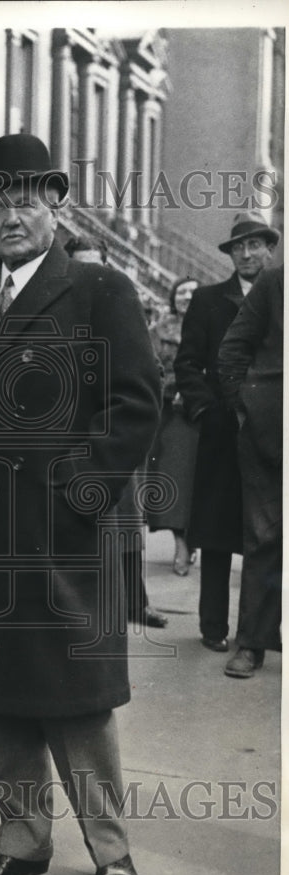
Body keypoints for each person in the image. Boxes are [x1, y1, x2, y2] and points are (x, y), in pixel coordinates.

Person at [0, 134, 161, 875]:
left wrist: (79, 493)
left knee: (79, 700)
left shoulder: (101, 293)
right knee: (0, 696)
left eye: (27, 200)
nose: (11, 216)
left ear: (56, 206)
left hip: (65, 538)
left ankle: (112, 853)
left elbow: (135, 407)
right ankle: (21, 842)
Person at [174, 212, 278, 653]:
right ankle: (213, 625)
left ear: (269, 249)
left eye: (255, 245)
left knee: (265, 534)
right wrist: (207, 411)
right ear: (231, 254)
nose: (247, 253)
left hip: (269, 428)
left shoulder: (279, 295)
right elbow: (187, 363)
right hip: (224, 429)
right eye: (239, 247)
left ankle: (261, 631)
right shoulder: (208, 299)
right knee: (217, 533)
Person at [64, 235, 168, 629]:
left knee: (127, 520)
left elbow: (150, 369)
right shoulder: (61, 305)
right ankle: (97, 604)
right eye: (82, 264)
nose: (92, 273)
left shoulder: (122, 305)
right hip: (75, 433)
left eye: (98, 264)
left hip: (116, 428)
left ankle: (136, 600)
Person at [218, 264, 283, 678]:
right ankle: (251, 645)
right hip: (270, 429)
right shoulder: (277, 281)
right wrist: (246, 409)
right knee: (264, 537)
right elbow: (232, 349)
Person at [147, 276, 200, 575]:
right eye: (181, 292)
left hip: (201, 413)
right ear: (173, 297)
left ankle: (191, 540)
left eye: (193, 292)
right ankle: (181, 542)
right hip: (171, 414)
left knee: (196, 484)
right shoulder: (158, 331)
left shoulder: (213, 328)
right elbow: (149, 365)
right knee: (173, 480)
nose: (187, 297)